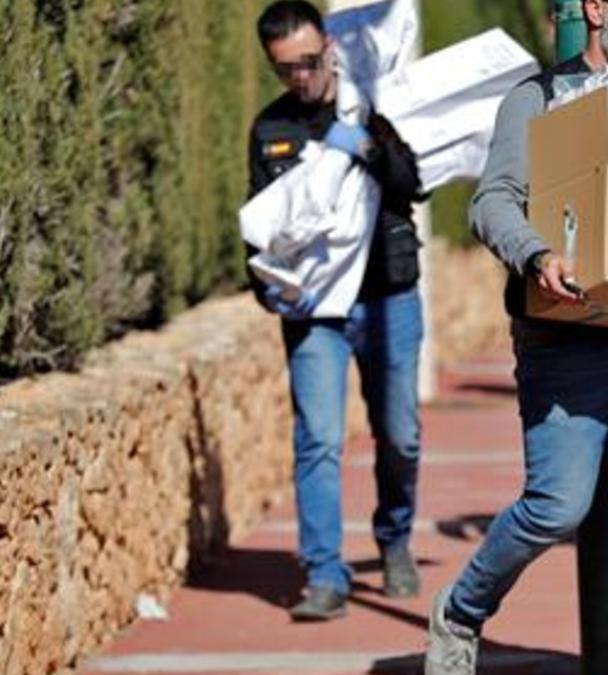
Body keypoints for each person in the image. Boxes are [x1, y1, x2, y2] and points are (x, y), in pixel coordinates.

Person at [425, 2, 608, 674]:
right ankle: (462, 608)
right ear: (592, 8)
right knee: (557, 506)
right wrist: (537, 253)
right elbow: (492, 199)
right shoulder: (535, 102)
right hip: (568, 339)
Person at [247, 0, 425, 621]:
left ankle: (395, 537)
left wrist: (372, 149)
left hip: (387, 295)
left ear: (328, 46)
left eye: (308, 60)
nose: (300, 76)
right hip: (315, 313)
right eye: (284, 68)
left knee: (399, 434)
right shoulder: (270, 130)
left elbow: (414, 184)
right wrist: (262, 285)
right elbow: (259, 229)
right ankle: (325, 573)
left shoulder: (371, 106)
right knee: (317, 439)